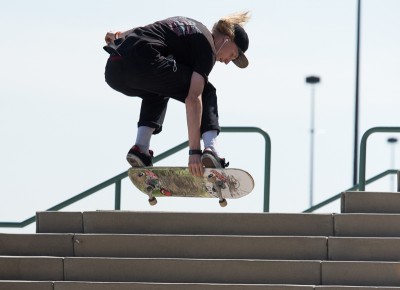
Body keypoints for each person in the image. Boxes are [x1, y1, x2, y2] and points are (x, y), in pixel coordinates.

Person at [104, 12, 250, 177]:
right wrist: (194, 151)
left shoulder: (187, 24)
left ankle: (140, 149)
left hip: (114, 70)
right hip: (146, 64)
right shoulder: (207, 48)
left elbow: (146, 30)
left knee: (159, 89)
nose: (227, 61)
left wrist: (119, 35)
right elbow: (193, 99)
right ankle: (212, 149)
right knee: (207, 91)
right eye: (233, 55)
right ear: (227, 39)